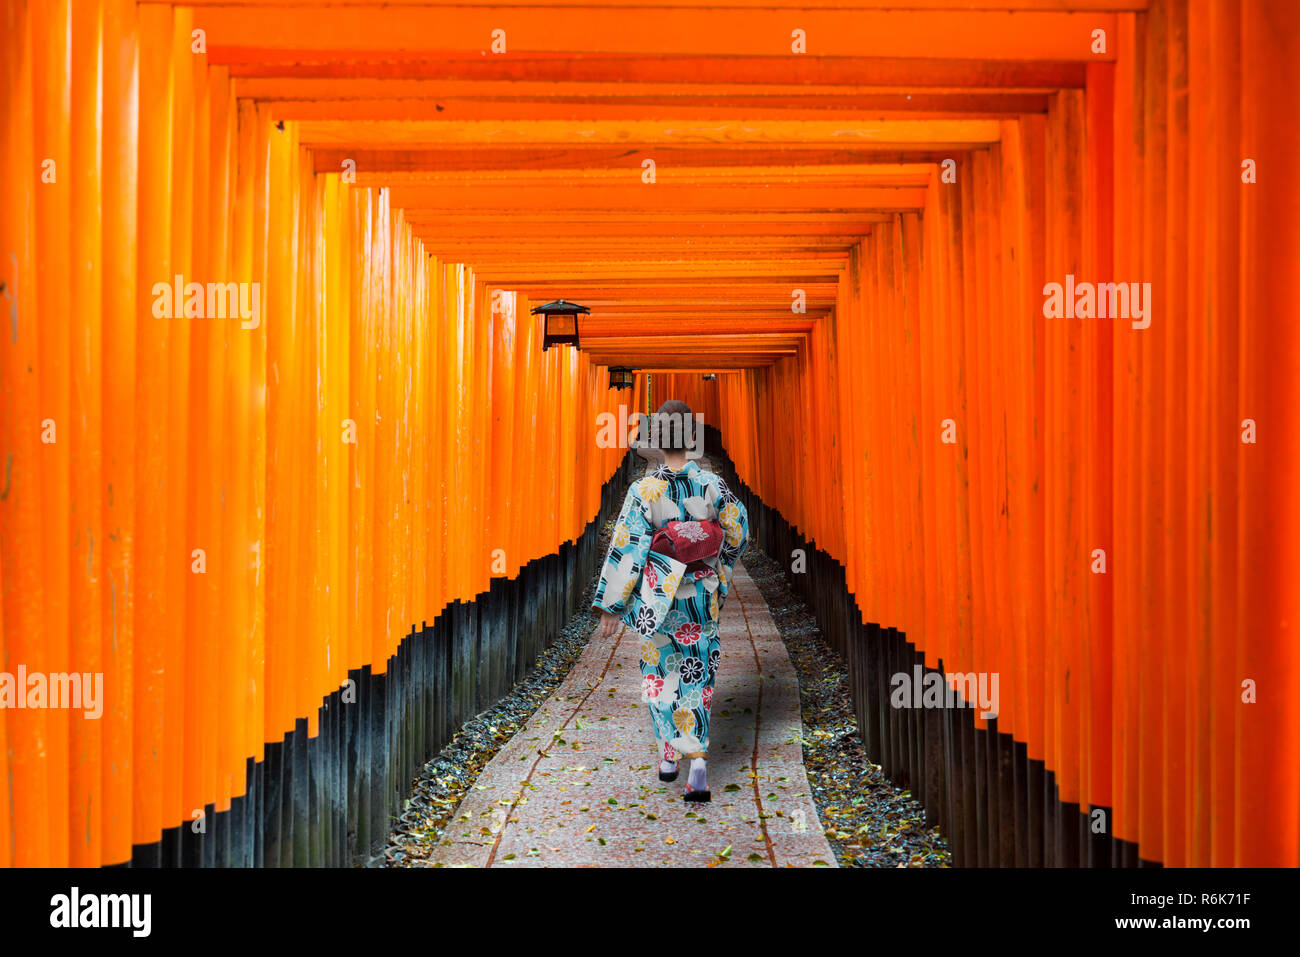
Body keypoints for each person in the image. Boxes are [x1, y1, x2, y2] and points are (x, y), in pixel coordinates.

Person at [591, 399, 750, 802]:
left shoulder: (644, 490)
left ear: (658, 442)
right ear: (692, 439)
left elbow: (628, 546)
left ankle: (667, 754)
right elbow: (738, 531)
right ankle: (696, 761)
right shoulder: (711, 485)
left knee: (659, 672)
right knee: (698, 671)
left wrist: (612, 605)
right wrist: (718, 572)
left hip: (658, 595)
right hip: (700, 594)